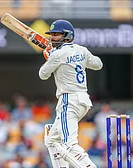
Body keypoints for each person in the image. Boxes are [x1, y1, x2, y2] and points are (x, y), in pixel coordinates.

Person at [39, 19, 103, 168]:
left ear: (67, 35)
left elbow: (43, 74)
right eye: (52, 34)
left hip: (69, 100)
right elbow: (98, 64)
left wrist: (49, 58)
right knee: (52, 140)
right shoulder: (82, 50)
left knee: (69, 144)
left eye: (57, 35)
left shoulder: (57, 55)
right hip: (83, 101)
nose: (53, 37)